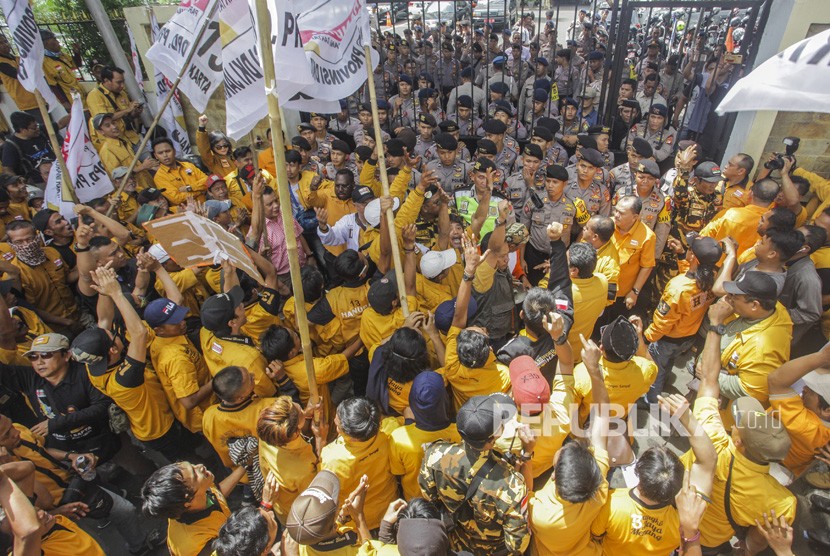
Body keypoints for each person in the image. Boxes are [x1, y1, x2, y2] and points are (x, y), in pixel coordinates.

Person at [682, 300, 796, 554]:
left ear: (739, 441)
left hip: (678, 517)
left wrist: (715, 325)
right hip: (710, 541)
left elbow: (709, 382)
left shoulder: (712, 437)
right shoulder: (782, 502)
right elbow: (759, 538)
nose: (734, 426)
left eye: (738, 425)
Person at [420, 394, 532, 555]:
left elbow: (429, 500)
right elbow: (518, 545)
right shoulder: (512, 485)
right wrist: (527, 454)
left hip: (455, 543)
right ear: (494, 437)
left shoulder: (434, 455)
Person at [528, 334, 610, 555]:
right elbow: (603, 414)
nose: (565, 445)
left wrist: (527, 454)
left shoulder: (542, 514)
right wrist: (594, 370)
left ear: (554, 477)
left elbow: (525, 493)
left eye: (563, 452)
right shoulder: (600, 484)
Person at [643, 237, 722, 404]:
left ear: (693, 256)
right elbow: (692, 274)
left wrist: (646, 338)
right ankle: (663, 382)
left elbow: (663, 321)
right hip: (688, 337)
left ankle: (651, 399)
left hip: (668, 339)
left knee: (656, 369)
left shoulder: (677, 288)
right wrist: (681, 256)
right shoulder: (713, 278)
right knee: (668, 362)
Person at [711, 271, 793, 409]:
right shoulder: (772, 307)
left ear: (755, 305)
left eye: (734, 296)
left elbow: (750, 391)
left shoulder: (761, 351)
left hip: (726, 413)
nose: (728, 298)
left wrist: (709, 373)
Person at [320, 397, 398, 531]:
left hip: (355, 523)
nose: (334, 421)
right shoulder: (390, 433)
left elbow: (324, 490)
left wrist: (320, 439)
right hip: (388, 510)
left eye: (338, 426)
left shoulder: (332, 458)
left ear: (352, 437)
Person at [142, 461, 247, 556]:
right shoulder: (198, 546)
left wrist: (245, 466)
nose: (200, 466)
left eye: (192, 465)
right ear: (188, 502)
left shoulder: (195, 496)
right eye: (195, 475)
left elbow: (217, 494)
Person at [388, 371, 461, 501]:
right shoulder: (459, 433)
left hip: (416, 502)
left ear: (411, 401)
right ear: (445, 399)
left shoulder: (399, 438)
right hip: (450, 501)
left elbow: (398, 474)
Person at [700, 179, 780, 258]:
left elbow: (703, 237)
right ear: (775, 200)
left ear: (750, 193)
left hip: (714, 261)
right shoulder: (773, 224)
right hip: (743, 268)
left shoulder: (730, 214)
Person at [86, 66, 142, 145]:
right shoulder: (94, 95)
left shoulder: (122, 93)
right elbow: (102, 119)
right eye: (118, 82)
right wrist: (127, 110)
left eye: (123, 82)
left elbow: (126, 115)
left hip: (132, 137)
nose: (122, 86)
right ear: (106, 81)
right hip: (116, 143)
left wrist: (134, 113)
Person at [1, 112, 53, 185]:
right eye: (34, 128)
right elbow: (7, 169)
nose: (37, 129)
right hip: (39, 182)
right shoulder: (11, 146)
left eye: (37, 125)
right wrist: (20, 182)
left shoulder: (40, 131)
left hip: (59, 171)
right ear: (23, 130)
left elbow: (59, 124)